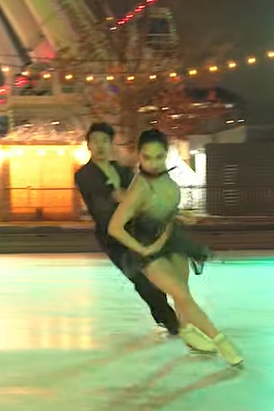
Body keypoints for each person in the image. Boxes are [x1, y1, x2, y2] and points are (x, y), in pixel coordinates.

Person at [108, 128, 244, 366]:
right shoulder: (140, 188)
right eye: (147, 157)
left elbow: (160, 210)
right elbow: (115, 227)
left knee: (184, 294)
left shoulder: (165, 177)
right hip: (150, 249)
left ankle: (187, 331)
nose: (153, 163)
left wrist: (179, 216)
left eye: (158, 157)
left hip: (172, 240)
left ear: (166, 154)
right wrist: (142, 250)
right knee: (180, 294)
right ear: (139, 156)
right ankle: (222, 342)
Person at [74, 122, 181, 337]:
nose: (100, 145)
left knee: (156, 274)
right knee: (139, 278)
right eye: (95, 141)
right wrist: (123, 199)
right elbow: (101, 205)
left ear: (111, 144)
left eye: (105, 140)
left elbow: (140, 196)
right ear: (88, 145)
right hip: (112, 237)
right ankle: (171, 321)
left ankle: (167, 315)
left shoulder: (122, 170)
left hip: (138, 230)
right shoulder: (84, 174)